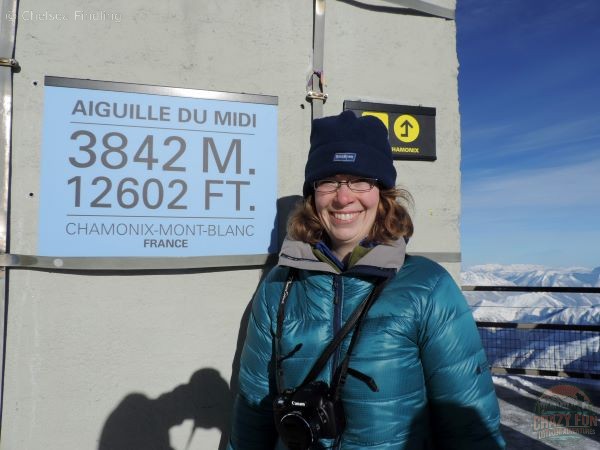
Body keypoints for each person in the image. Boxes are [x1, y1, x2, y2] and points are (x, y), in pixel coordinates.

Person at [228, 111, 505, 449]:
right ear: (313, 195)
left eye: (360, 180)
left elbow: (469, 427)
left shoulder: (427, 288)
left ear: (382, 193)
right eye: (329, 181)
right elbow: (253, 412)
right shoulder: (280, 288)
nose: (344, 197)